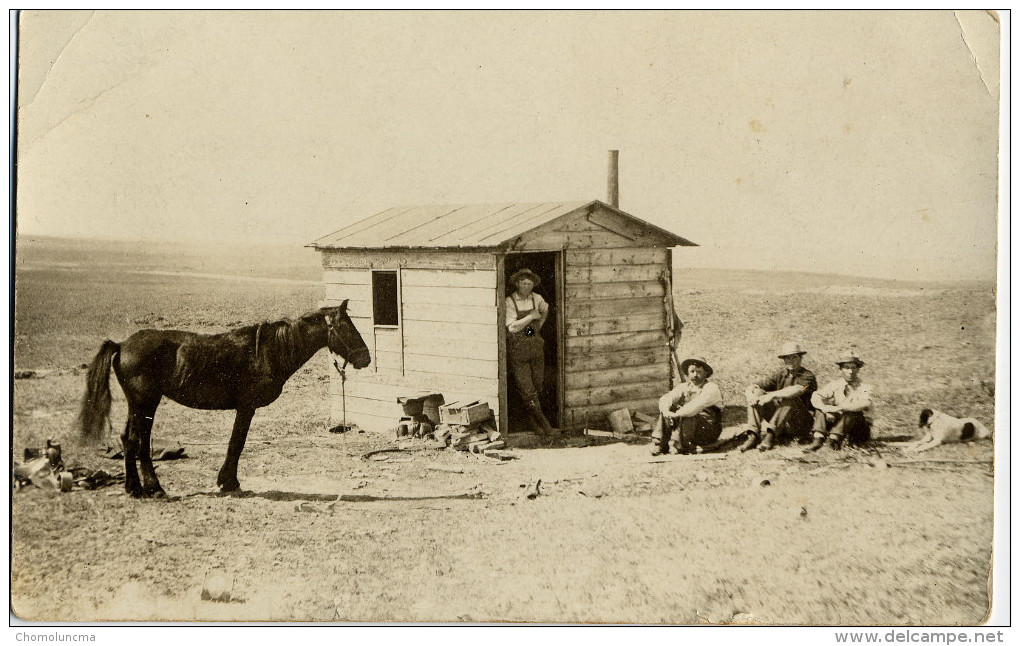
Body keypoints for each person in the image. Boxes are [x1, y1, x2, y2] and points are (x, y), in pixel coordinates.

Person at [738, 342, 818, 452]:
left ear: (800, 358)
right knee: (757, 393)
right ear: (784, 360)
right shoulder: (780, 374)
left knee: (791, 398)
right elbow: (755, 385)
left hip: (801, 423)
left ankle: (770, 436)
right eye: (787, 358)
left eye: (794, 357)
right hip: (782, 423)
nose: (790, 361)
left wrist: (771, 395)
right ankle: (753, 435)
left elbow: (797, 390)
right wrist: (750, 395)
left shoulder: (807, 375)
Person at [505, 268, 556, 435]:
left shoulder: (537, 298)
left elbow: (545, 309)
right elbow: (512, 328)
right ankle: (543, 422)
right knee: (527, 388)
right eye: (523, 283)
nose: (527, 286)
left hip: (534, 346)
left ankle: (531, 419)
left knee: (538, 383)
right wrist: (530, 317)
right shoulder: (510, 301)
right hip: (519, 349)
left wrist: (537, 326)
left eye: (529, 283)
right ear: (517, 284)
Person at [650, 356, 723, 456]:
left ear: (706, 373)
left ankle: (679, 446)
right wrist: (666, 411)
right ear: (688, 373)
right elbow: (667, 398)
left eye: (699, 372)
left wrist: (676, 414)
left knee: (689, 414)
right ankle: (660, 445)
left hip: (708, 430)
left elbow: (696, 406)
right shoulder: (684, 387)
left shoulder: (711, 388)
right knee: (668, 408)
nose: (695, 375)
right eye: (692, 371)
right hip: (689, 428)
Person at [806, 350, 874, 451]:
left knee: (852, 412)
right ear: (841, 369)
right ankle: (818, 439)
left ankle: (833, 441)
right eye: (847, 368)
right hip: (839, 424)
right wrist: (826, 409)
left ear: (858, 369)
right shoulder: (835, 384)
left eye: (854, 368)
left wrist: (837, 409)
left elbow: (864, 404)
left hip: (858, 429)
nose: (850, 372)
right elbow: (816, 396)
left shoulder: (865, 387)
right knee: (820, 409)